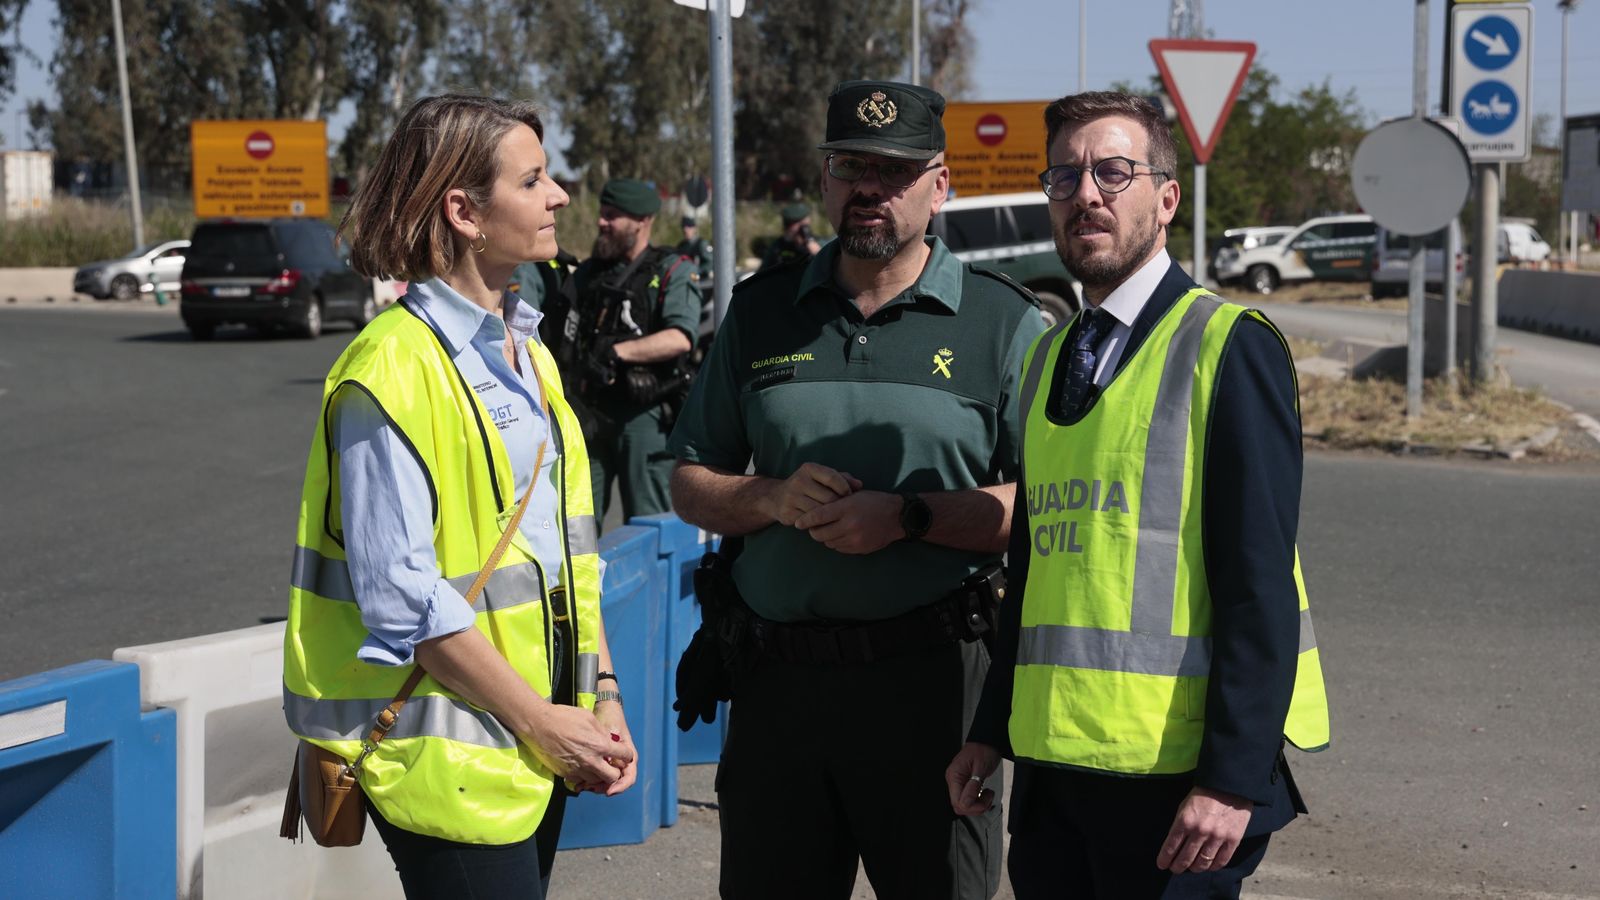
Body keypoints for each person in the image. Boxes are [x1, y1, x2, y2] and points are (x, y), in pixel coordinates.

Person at [944, 90, 1330, 899]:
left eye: (1113, 172)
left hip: (1177, 790)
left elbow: (1259, 584)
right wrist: (991, 731)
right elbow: (1038, 564)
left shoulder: (1229, 346)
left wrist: (1233, 778)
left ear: (1165, 197)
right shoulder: (1052, 358)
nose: (1085, 193)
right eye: (1065, 176)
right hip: (1055, 779)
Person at [668, 79, 1046, 900]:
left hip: (936, 689)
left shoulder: (1004, 323)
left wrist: (906, 518)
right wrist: (768, 498)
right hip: (778, 690)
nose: (869, 188)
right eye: (850, 166)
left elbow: (1042, 508)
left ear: (939, 185)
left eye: (895, 170)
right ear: (828, 179)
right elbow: (691, 481)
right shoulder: (762, 314)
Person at [281, 94, 637, 898]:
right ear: (464, 212)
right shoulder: (390, 369)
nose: (561, 197)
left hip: (531, 744)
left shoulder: (527, 349)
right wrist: (544, 722)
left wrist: (601, 691)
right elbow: (403, 597)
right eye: (534, 180)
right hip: (450, 756)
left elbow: (563, 556)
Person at [558, 178, 701, 521]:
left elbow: (680, 337)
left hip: (643, 415)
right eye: (601, 213)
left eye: (612, 216)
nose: (601, 222)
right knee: (578, 522)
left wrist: (617, 353)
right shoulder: (589, 273)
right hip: (590, 414)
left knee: (648, 522)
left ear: (642, 221)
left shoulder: (672, 270)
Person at [758, 201, 823, 270]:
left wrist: (817, 253)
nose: (802, 230)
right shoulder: (777, 248)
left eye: (805, 226)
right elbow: (763, 272)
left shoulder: (818, 244)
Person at [676, 215, 713, 283]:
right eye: (684, 227)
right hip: (685, 280)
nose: (686, 230)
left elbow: (710, 262)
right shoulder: (681, 246)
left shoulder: (701, 244)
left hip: (701, 281)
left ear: (694, 228)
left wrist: (696, 271)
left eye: (689, 227)